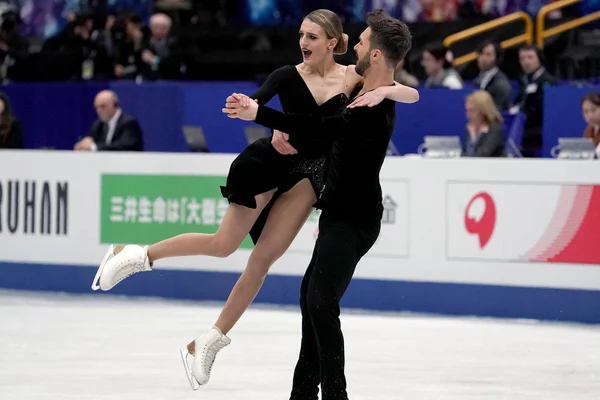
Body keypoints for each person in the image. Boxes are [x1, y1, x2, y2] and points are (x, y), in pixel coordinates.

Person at [91, 8, 418, 389]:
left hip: (311, 177)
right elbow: (256, 102)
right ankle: (136, 255)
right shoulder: (285, 75)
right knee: (223, 244)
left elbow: (406, 90)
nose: (303, 42)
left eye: (312, 36)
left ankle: (207, 343)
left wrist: (389, 90)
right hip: (268, 165)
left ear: (332, 42)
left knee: (262, 260)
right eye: (301, 35)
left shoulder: (353, 76)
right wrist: (252, 111)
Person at [223, 9, 412, 399]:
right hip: (338, 212)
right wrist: (391, 88)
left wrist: (262, 114)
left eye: (360, 42)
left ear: (375, 55)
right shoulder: (366, 89)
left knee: (319, 300)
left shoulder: (369, 108)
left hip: (355, 219)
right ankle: (304, 391)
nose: (353, 45)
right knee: (312, 296)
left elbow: (319, 127)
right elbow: (411, 91)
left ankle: (333, 393)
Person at [463, 90, 506, 157]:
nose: (468, 115)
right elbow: (465, 153)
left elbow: (483, 155)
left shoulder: (495, 129)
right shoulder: (470, 127)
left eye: (471, 111)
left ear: (483, 111)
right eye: (467, 111)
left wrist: (473, 137)